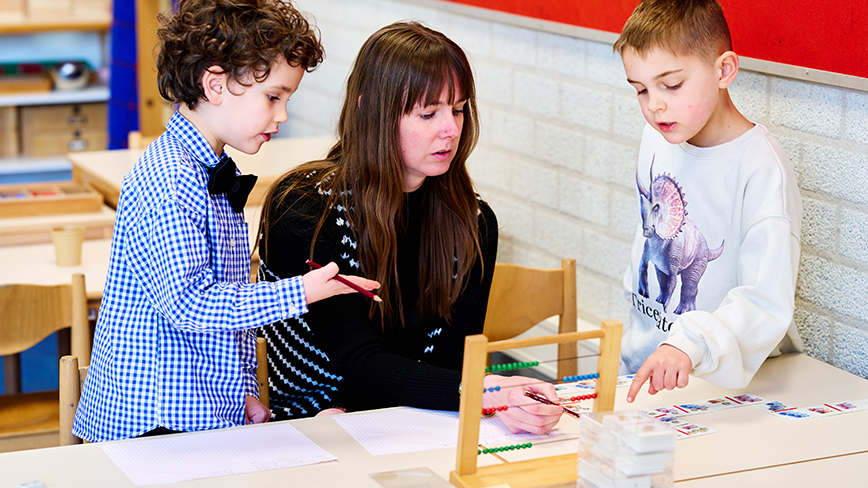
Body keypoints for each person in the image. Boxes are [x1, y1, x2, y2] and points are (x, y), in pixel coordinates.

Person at [73, 0, 378, 442]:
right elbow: (190, 305)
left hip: (196, 413)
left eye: (286, 99)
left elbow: (221, 315)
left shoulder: (210, 171)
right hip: (149, 426)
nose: (282, 115)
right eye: (273, 96)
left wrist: (243, 395)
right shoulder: (171, 179)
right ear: (214, 85)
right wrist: (303, 291)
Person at [257, 21, 562, 434]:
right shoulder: (304, 208)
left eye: (457, 109)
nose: (451, 129)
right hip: (313, 426)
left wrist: (496, 395)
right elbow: (358, 362)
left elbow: (451, 362)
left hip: (417, 423)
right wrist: (487, 390)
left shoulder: (472, 222)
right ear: (371, 110)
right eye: (427, 113)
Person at [613, 0, 803, 403]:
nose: (655, 105)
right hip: (642, 375)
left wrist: (690, 344)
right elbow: (646, 243)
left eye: (672, 84)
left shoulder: (761, 169)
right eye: (641, 90)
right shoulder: (658, 137)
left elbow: (764, 298)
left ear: (724, 70)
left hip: (718, 391)